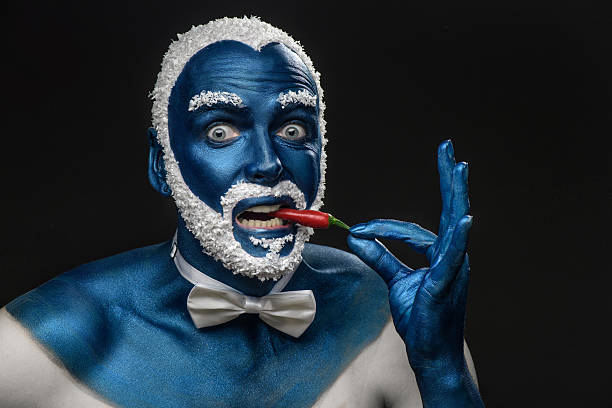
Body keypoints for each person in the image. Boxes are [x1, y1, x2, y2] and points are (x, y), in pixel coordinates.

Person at [0, 17, 484, 407]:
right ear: (162, 164)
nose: (268, 162)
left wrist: (440, 368)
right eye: (220, 132)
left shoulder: (383, 321)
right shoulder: (46, 340)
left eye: (293, 130)